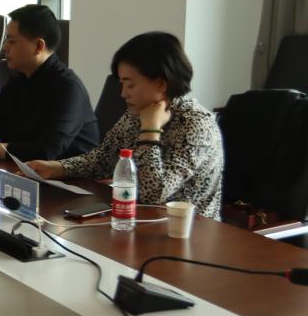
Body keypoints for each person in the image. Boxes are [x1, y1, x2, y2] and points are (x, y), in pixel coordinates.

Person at [27, 32, 224, 219]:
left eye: (130, 85)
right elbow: (104, 158)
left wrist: (150, 131)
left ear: (161, 84)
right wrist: (58, 168)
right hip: (140, 219)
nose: (123, 94)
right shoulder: (139, 112)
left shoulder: (196, 124)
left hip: (191, 231)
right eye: (121, 84)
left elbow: (153, 194)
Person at [0, 4, 97, 161]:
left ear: (38, 46)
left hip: (68, 175)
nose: (5, 47)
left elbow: (47, 151)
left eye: (11, 41)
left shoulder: (68, 88)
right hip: (18, 171)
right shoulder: (19, 80)